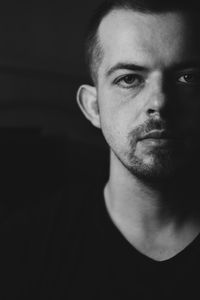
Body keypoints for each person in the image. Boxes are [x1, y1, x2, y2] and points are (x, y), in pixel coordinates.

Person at [30, 0, 200, 299]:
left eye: (187, 77)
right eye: (129, 79)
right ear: (93, 107)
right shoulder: (24, 246)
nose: (159, 103)